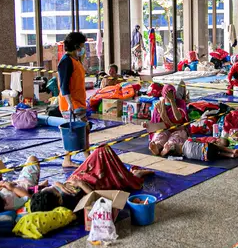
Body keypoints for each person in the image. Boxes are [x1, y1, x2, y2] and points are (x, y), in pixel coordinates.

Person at [29, 146, 153, 212]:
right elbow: (95, 197)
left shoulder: (54, 193)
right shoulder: (69, 201)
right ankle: (135, 175)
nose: (52, 186)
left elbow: (55, 183)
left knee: (100, 150)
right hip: (94, 182)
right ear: (58, 200)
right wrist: (80, 184)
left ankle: (132, 174)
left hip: (83, 172)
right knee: (104, 152)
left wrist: (60, 185)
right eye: (53, 190)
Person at [58, 32, 91, 168]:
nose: (83, 48)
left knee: (83, 129)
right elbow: (64, 85)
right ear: (76, 46)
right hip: (71, 104)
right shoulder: (66, 61)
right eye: (82, 46)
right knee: (82, 129)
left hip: (79, 102)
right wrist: (70, 104)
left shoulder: (75, 60)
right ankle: (86, 158)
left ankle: (73, 158)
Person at [147, 85, 188, 156]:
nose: (169, 98)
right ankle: (157, 147)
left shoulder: (180, 103)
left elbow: (178, 118)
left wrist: (172, 102)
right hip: (165, 130)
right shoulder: (159, 105)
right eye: (167, 96)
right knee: (160, 135)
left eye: (171, 96)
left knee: (176, 137)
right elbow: (155, 122)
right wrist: (147, 125)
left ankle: (168, 147)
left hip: (177, 130)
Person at [171, 137, 238, 161]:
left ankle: (230, 155)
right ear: (179, 145)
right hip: (208, 147)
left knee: (218, 154)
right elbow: (198, 141)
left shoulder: (186, 156)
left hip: (207, 157)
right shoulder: (187, 141)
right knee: (218, 147)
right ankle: (232, 151)